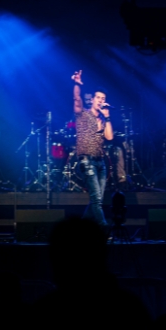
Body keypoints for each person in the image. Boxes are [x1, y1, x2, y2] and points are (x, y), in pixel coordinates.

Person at [72, 70, 114, 227]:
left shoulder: (103, 119)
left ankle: (81, 229)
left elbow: (109, 137)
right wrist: (77, 84)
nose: (100, 100)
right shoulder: (83, 114)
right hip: (87, 161)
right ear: (92, 100)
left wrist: (108, 116)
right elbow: (76, 99)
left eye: (103, 99)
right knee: (96, 200)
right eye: (98, 98)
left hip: (100, 163)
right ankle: (104, 229)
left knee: (97, 200)